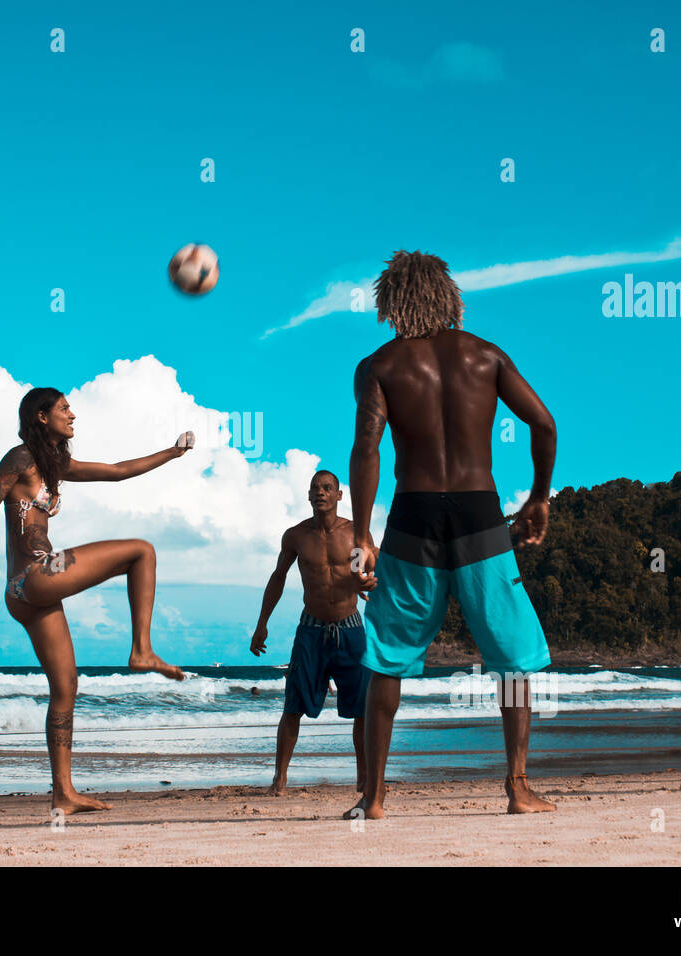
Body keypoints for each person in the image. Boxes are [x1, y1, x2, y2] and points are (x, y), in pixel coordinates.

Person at [345, 250, 557, 819]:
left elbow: (367, 447)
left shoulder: (379, 366)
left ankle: (374, 797)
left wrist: (363, 533)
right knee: (511, 657)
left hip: (412, 513)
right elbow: (543, 424)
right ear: (449, 296)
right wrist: (538, 498)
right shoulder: (485, 355)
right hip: (478, 513)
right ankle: (518, 789)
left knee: (387, 656)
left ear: (391, 301)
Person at [0, 387, 194, 814]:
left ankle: (62, 793)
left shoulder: (54, 466)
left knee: (65, 687)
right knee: (141, 551)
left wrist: (173, 452)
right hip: (35, 574)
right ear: (41, 416)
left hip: (26, 594)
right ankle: (141, 650)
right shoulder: (19, 458)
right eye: (64, 409)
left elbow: (118, 471)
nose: (72, 415)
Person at [250, 471, 375, 795]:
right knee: (293, 705)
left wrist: (365, 580)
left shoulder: (355, 533)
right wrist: (262, 623)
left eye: (327, 488)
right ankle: (279, 779)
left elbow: (368, 567)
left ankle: (364, 777)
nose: (321, 492)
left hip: (350, 629)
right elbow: (278, 577)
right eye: (315, 488)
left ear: (339, 495)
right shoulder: (296, 536)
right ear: (308, 496)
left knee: (362, 708)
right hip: (311, 630)